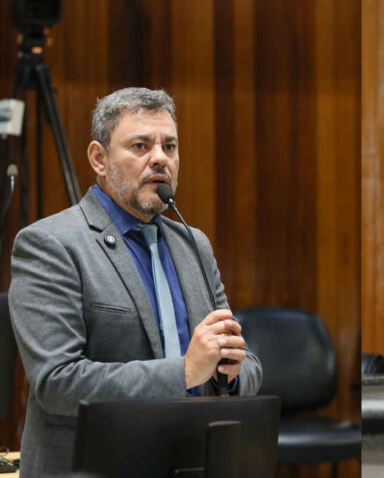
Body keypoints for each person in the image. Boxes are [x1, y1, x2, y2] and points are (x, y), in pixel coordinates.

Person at [8, 88, 262, 476]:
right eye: (141, 146)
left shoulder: (193, 244)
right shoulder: (50, 244)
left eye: (169, 146)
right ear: (99, 158)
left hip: (188, 463)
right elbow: (57, 383)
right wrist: (184, 371)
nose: (160, 158)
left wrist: (231, 371)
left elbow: (246, 362)